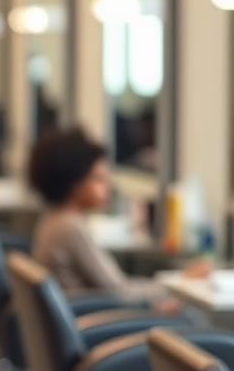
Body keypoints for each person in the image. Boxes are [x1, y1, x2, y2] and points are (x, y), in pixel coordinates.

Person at [28, 127, 205, 309]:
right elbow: (120, 292)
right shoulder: (70, 228)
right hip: (94, 324)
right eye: (98, 179)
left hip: (87, 316)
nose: (107, 187)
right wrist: (179, 283)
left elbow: (116, 286)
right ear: (75, 184)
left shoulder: (53, 219)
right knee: (189, 315)